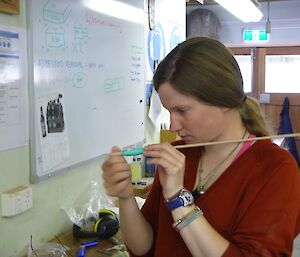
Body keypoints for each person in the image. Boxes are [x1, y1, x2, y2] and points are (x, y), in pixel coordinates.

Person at [102, 37, 300, 257]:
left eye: (182, 111)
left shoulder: (276, 169)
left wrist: (178, 199)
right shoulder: (179, 154)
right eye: (169, 111)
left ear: (224, 100)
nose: (174, 125)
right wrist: (126, 197)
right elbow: (144, 247)